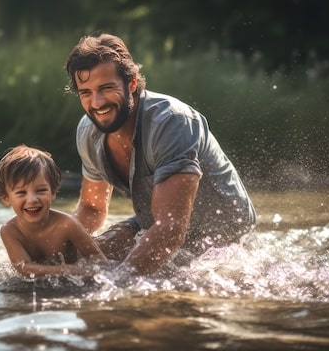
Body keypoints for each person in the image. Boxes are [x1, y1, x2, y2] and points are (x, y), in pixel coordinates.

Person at [64, 33, 256, 276]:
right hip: (156, 222)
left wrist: (116, 284)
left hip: (221, 238)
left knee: (118, 279)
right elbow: (92, 209)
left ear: (132, 83)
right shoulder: (88, 131)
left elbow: (170, 229)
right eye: (86, 93)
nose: (97, 102)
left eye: (106, 88)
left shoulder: (171, 122)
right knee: (83, 256)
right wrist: (55, 253)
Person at [0, 145, 108, 278]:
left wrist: (85, 272)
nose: (32, 200)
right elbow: (24, 268)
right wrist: (68, 270)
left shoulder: (67, 224)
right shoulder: (10, 231)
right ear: (6, 198)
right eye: (21, 193)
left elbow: (99, 259)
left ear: (53, 193)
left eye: (41, 190)